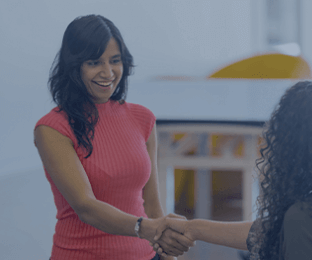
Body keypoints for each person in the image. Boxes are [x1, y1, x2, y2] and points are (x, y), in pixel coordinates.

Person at [151, 81, 312, 260]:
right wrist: (195, 228)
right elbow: (268, 232)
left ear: (289, 145)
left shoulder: (301, 217)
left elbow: (282, 230)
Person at [34, 14, 193, 260]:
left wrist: (167, 255)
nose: (108, 72)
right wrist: (143, 227)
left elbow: (152, 205)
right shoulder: (52, 128)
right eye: (94, 62)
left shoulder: (143, 118)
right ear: (74, 65)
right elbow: (86, 207)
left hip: (147, 255)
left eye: (115, 60)